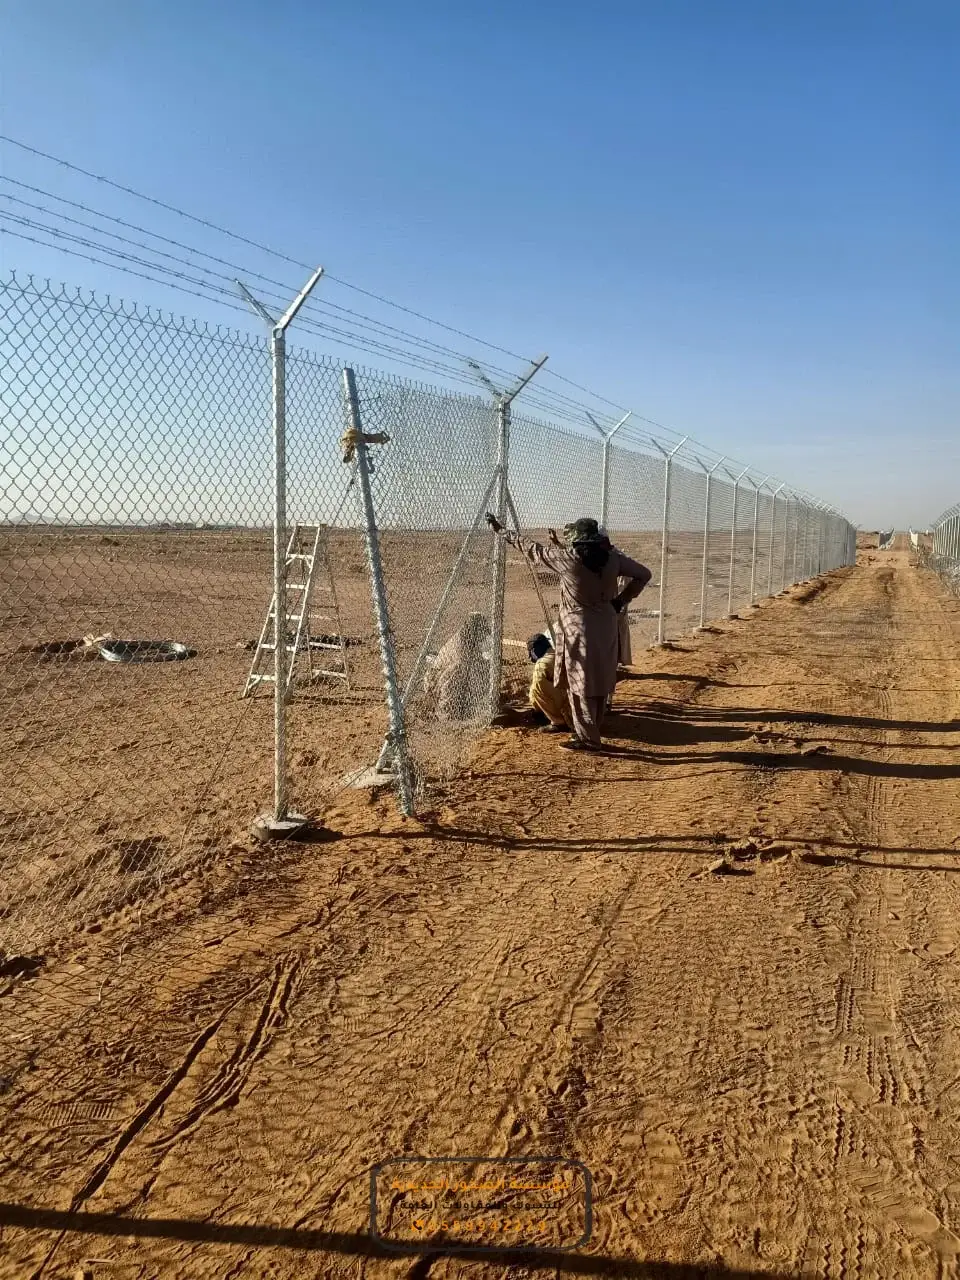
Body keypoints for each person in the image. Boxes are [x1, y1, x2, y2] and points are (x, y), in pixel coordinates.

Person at [486, 515, 652, 750]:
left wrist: (501, 530)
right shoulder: (613, 560)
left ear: (577, 542)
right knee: (599, 679)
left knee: (579, 684)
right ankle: (593, 728)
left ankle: (588, 739)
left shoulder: (568, 560)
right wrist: (621, 600)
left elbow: (531, 548)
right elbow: (644, 574)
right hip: (606, 626)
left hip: (578, 630)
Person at [425, 612, 491, 722]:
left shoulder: (467, 640)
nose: (483, 637)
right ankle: (447, 713)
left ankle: (466, 705)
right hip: (439, 683)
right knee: (461, 669)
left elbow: (478, 661)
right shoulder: (461, 649)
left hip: (446, 678)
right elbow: (451, 678)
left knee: (483, 668)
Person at [527, 632, 571, 732]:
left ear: (535, 650)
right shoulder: (559, 655)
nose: (530, 657)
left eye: (530, 652)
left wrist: (537, 709)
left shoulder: (542, 663)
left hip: (567, 707)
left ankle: (558, 722)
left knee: (535, 688)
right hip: (580, 703)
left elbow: (538, 686)